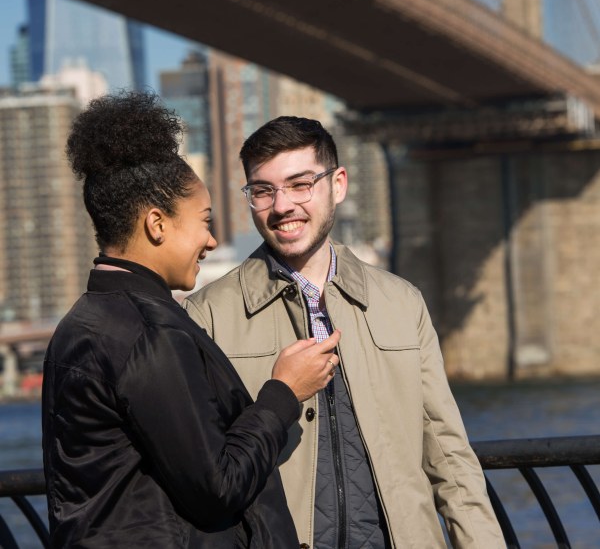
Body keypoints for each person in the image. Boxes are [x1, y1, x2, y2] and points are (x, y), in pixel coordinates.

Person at [184, 116, 506, 548]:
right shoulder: (207, 317)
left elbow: (448, 455)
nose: (282, 206)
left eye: (300, 184)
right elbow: (201, 473)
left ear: (338, 184)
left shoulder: (402, 302)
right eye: (262, 191)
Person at [42, 95, 341, 548]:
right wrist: (283, 393)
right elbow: (217, 487)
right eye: (203, 220)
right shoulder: (148, 332)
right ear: (157, 225)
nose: (212, 239)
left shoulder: (84, 321)